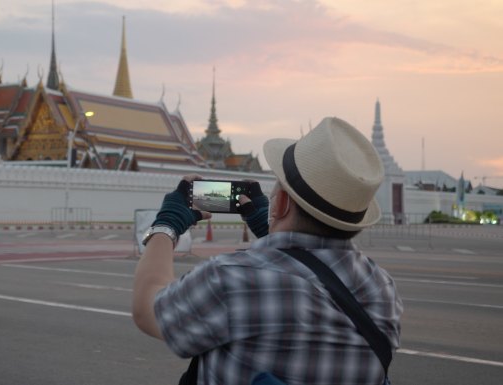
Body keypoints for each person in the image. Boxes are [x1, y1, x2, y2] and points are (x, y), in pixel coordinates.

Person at [132, 117, 403, 385]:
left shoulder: (234, 280)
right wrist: (273, 226)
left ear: (282, 202)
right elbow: (309, 271)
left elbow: (148, 308)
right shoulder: (382, 289)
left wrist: (167, 224)